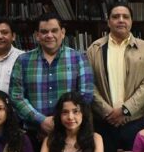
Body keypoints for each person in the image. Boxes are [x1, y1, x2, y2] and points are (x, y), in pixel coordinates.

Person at [86, 2, 144, 152]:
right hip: (104, 121)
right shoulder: (94, 48)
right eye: (115, 17)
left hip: (135, 121)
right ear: (108, 21)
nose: (121, 20)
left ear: (132, 21)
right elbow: (88, 83)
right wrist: (107, 111)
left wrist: (125, 109)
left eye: (125, 17)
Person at [10, 12, 94, 140]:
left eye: (54, 30)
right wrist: (41, 120)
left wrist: (62, 121)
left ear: (63, 32)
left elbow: (86, 95)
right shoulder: (23, 61)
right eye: (44, 32)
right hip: (34, 134)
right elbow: (16, 97)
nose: (49, 35)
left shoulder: (79, 59)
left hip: (70, 134)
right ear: (37, 35)